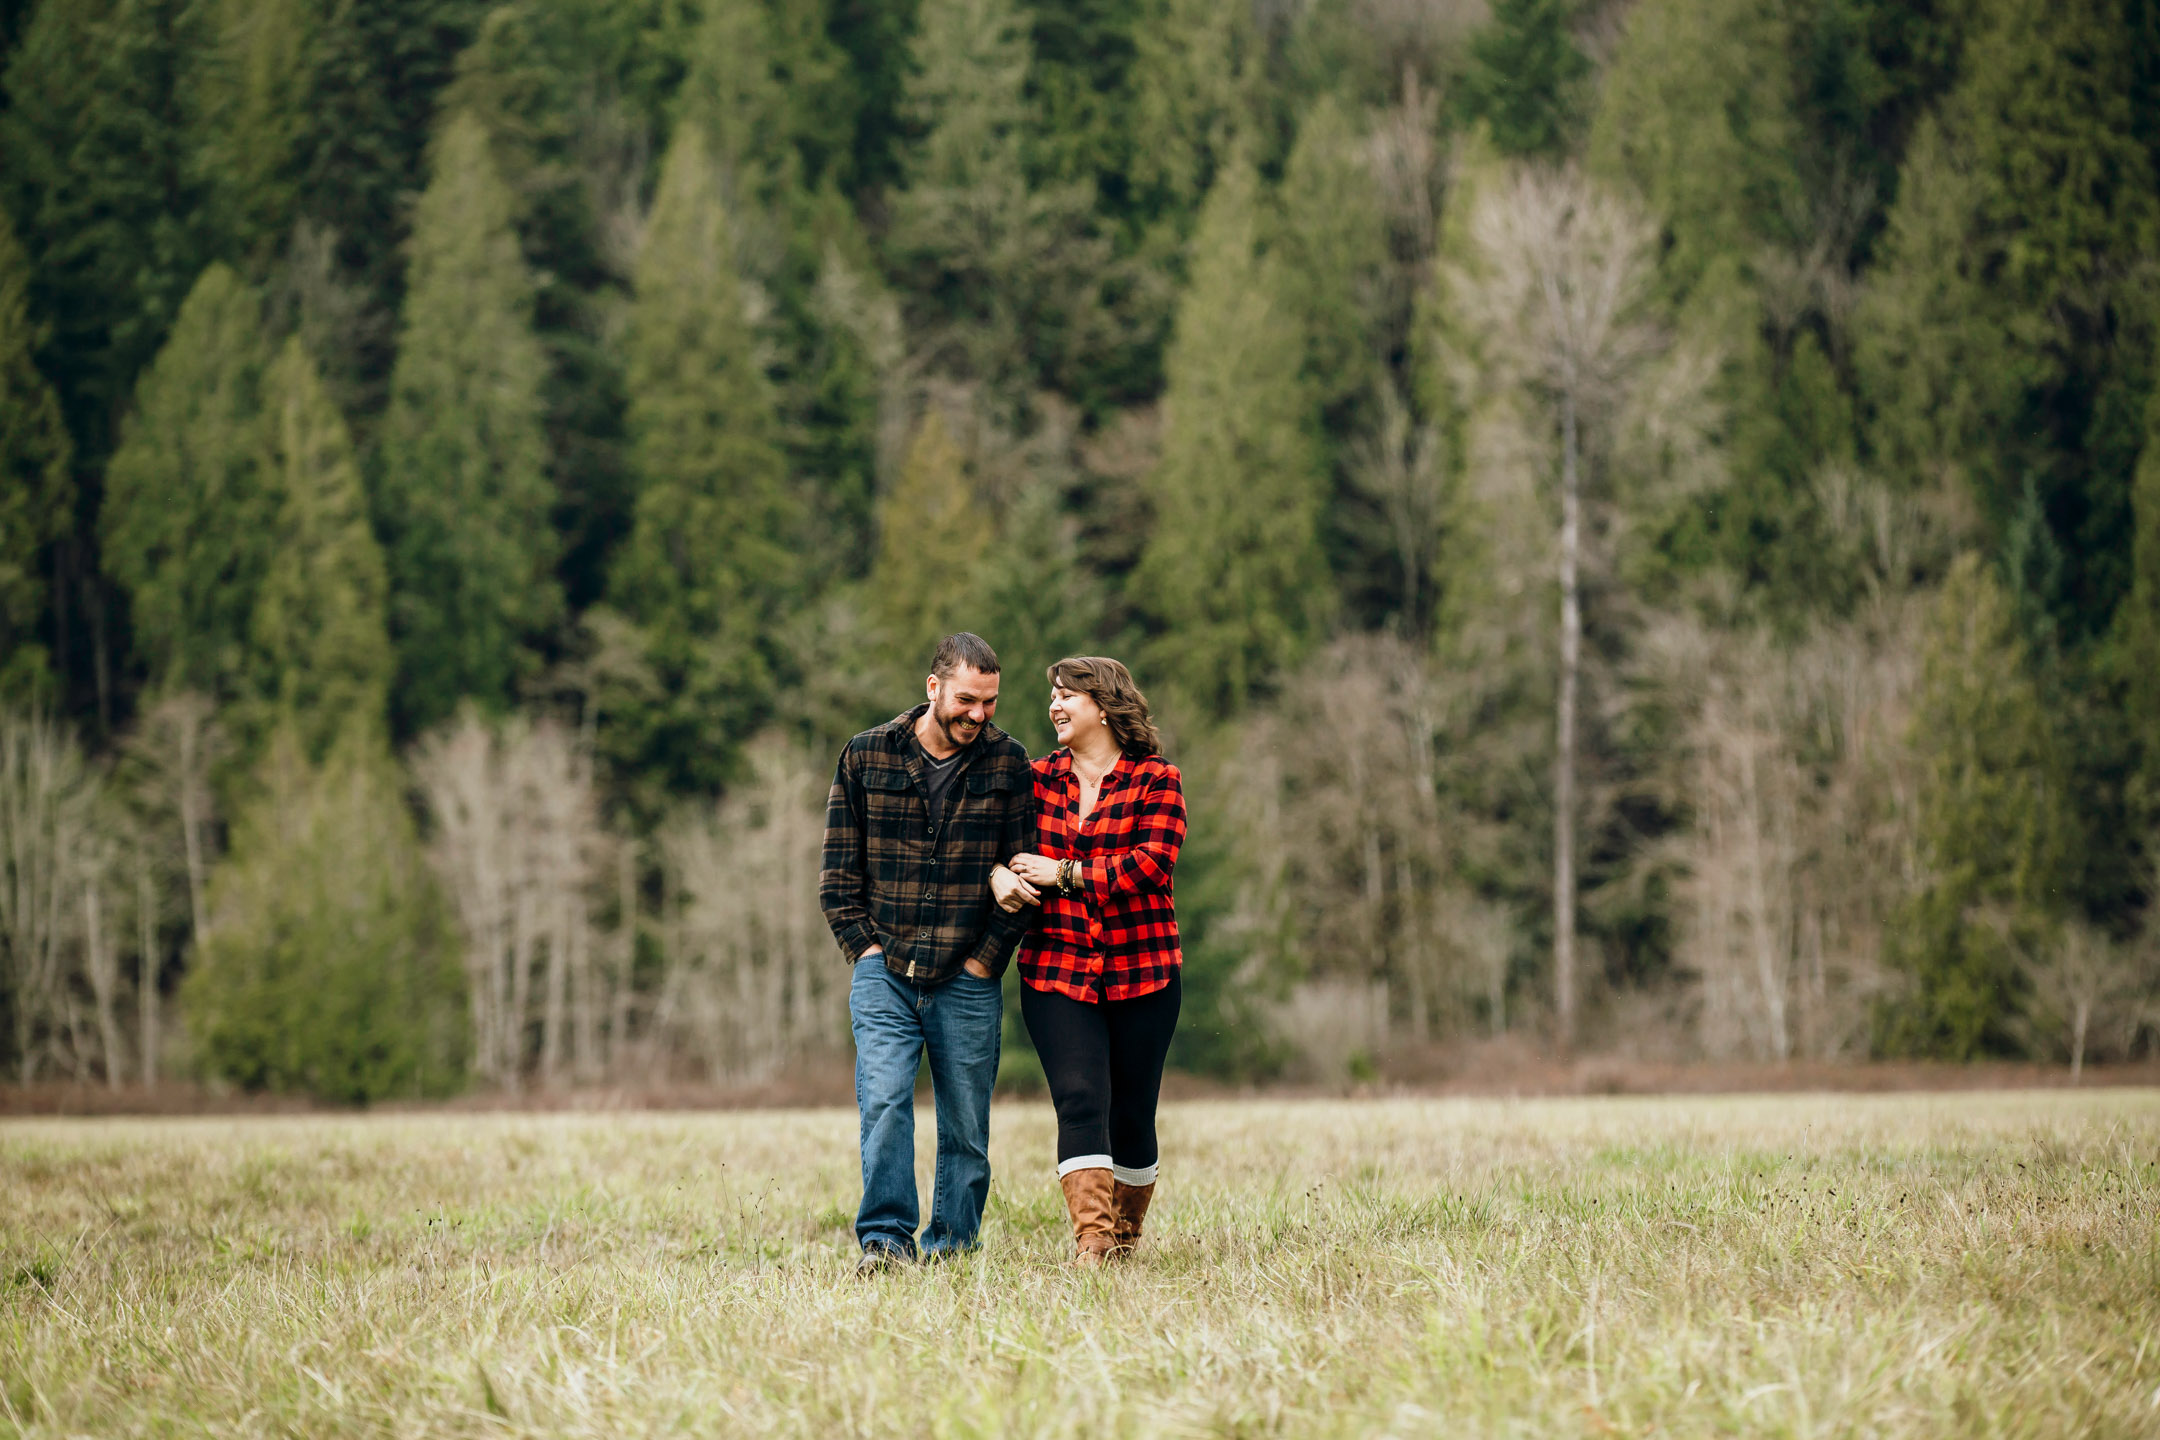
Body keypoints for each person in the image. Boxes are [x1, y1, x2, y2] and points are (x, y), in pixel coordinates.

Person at [820, 633, 1035, 1273]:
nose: (979, 715)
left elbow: (1024, 879)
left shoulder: (1008, 764)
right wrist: (863, 952)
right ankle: (885, 1243)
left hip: (967, 976)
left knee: (966, 1125)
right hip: (884, 970)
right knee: (884, 1103)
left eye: (990, 703)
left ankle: (953, 1250)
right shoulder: (865, 756)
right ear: (933, 687)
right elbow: (837, 878)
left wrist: (984, 961)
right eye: (967, 700)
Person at [991, 656, 1186, 1266]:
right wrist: (999, 872)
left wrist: (1065, 874)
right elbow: (991, 845)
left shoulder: (1157, 780)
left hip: (1144, 971)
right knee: (1079, 1099)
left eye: (1066, 695)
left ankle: (1125, 1238)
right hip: (1056, 969)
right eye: (1052, 694)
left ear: (1102, 705)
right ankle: (1093, 1241)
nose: (1054, 705)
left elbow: (1151, 865)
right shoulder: (1035, 780)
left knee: (1133, 1110)